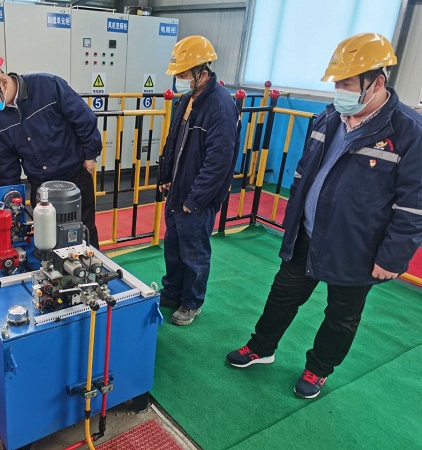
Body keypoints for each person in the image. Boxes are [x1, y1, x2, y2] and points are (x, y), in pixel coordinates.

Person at [226, 33, 422, 398]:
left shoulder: (408, 132)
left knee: (342, 316)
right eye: (337, 83)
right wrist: (293, 222)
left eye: (347, 84)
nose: (339, 91)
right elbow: (303, 174)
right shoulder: (329, 117)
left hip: (358, 247)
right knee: (282, 295)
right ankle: (261, 347)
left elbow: (414, 205)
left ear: (377, 82)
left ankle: (318, 369)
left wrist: (393, 257)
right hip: (308, 234)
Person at [0, 49, 102, 248]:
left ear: (2, 81)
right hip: (40, 186)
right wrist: (11, 200)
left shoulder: (48, 86)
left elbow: (83, 118)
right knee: (48, 240)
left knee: (83, 231)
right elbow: (7, 161)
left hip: (74, 177)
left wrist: (90, 155)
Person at [157, 36, 241, 326]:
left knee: (194, 252)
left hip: (196, 198)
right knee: (174, 246)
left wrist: (195, 199)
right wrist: (165, 176)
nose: (178, 80)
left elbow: (219, 162)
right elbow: (174, 141)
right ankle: (172, 292)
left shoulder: (221, 107)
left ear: (202, 73)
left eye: (183, 75)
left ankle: (192, 302)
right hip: (177, 191)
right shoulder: (187, 100)